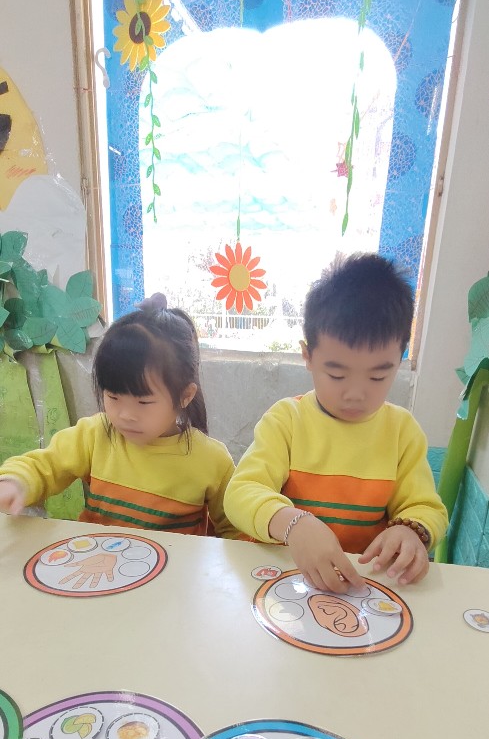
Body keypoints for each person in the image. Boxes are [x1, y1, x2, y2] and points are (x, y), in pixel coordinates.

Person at [224, 253, 448, 590]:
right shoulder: (287, 420)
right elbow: (240, 493)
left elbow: (427, 507)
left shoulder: (402, 431)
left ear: (399, 361)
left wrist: (410, 530)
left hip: (362, 588)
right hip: (285, 580)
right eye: (337, 374)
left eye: (377, 376)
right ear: (308, 356)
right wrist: (293, 524)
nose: (355, 394)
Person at [0, 294, 239, 538]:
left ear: (185, 396)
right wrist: (15, 482)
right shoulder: (95, 435)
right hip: (96, 557)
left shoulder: (212, 461)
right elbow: (45, 465)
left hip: (174, 563)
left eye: (144, 402)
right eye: (113, 397)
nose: (125, 415)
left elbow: (235, 529)